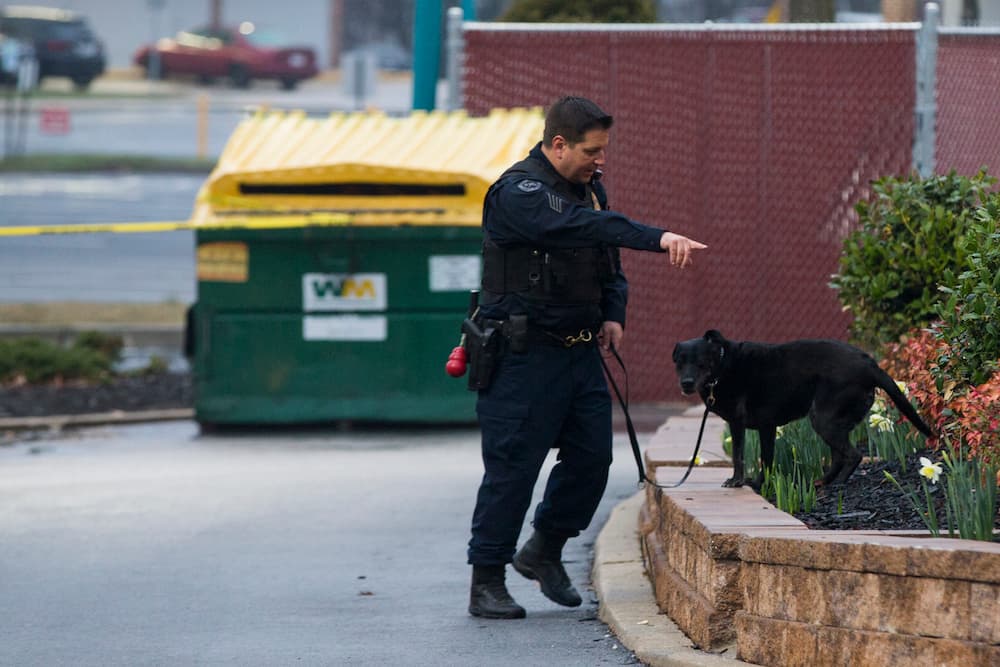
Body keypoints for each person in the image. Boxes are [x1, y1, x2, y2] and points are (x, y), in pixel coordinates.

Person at [466, 95, 708, 619]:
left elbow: (607, 261)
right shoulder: (520, 193)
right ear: (558, 145)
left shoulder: (586, 190)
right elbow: (586, 229)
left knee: (593, 459)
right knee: (513, 467)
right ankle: (486, 579)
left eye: (603, 150)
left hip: (578, 353)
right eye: (591, 150)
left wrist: (612, 312)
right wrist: (660, 237)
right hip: (522, 355)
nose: (601, 161)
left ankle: (544, 549)